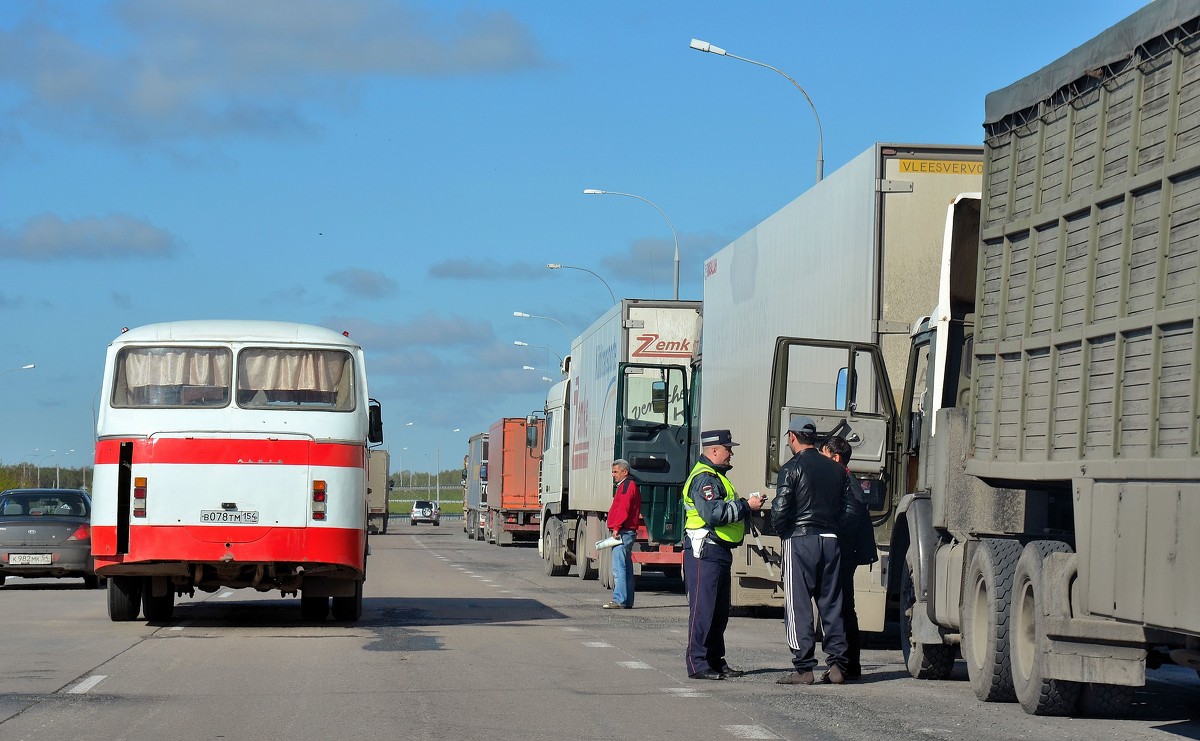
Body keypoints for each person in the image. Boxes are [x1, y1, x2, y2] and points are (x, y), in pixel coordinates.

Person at [770, 416, 863, 685]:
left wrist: (785, 531)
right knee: (832, 603)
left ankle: (804, 668)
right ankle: (837, 666)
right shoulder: (836, 469)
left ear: (792, 437)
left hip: (800, 540)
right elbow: (850, 508)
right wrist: (834, 528)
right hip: (830, 540)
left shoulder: (791, 468)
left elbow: (780, 510)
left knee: (798, 604)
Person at [683, 429, 765, 680]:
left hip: (717, 550)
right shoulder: (705, 478)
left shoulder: (716, 477)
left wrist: (743, 505)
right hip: (704, 550)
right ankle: (698, 663)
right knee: (703, 610)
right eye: (728, 449)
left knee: (718, 612)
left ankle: (715, 661)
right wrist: (745, 506)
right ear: (714, 450)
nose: (731, 453)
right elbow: (714, 514)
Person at [821, 435, 878, 679]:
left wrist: (832, 535)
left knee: (842, 607)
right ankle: (850, 665)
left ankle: (847, 664)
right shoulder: (843, 479)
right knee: (844, 607)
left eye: (823, 455)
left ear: (835, 458)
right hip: (844, 551)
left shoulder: (846, 481)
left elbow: (851, 516)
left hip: (844, 552)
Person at [604, 458, 641, 609]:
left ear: (625, 472)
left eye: (615, 472)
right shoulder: (628, 485)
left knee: (618, 567)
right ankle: (627, 601)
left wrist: (616, 528)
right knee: (626, 567)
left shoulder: (626, 486)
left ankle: (619, 599)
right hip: (627, 531)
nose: (613, 475)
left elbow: (623, 509)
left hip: (623, 532)